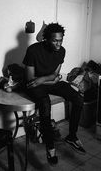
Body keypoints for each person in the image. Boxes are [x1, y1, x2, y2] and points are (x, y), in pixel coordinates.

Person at [22, 23, 85, 166]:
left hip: (44, 82)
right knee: (45, 105)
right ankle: (50, 147)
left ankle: (72, 136)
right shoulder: (33, 50)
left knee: (78, 99)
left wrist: (44, 79)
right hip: (33, 86)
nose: (58, 44)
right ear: (46, 39)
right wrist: (51, 79)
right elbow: (31, 80)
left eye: (61, 40)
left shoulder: (62, 51)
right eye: (55, 40)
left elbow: (55, 74)